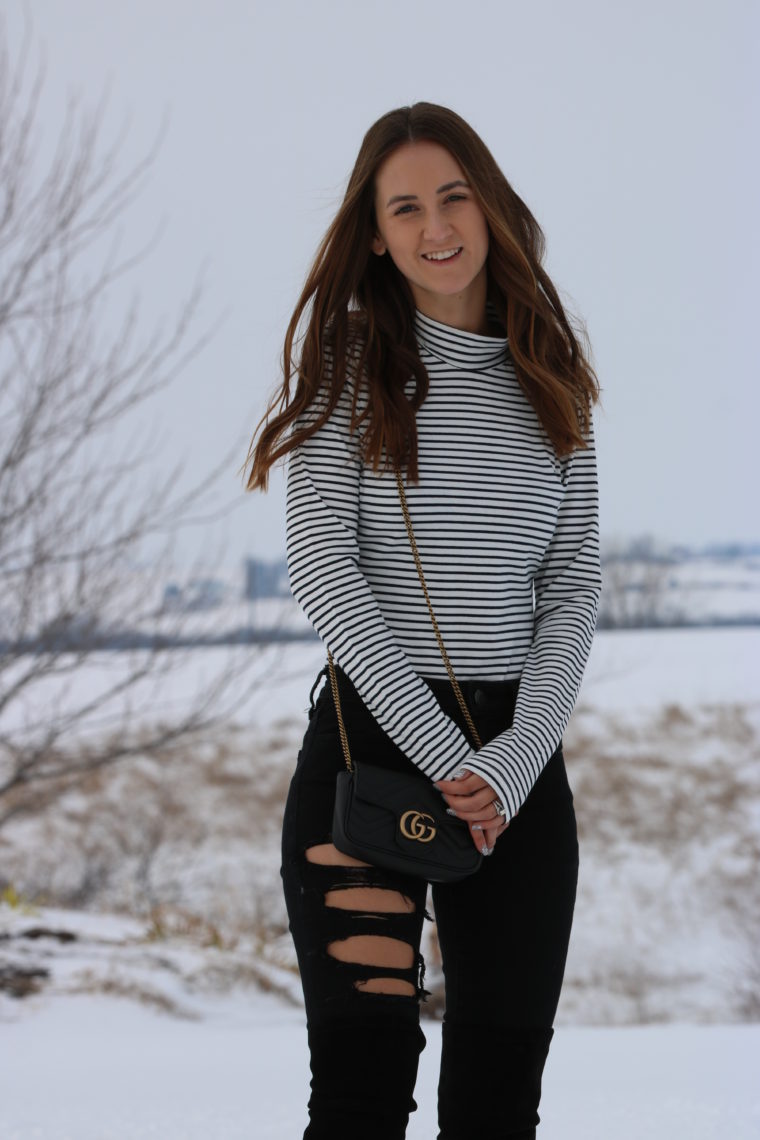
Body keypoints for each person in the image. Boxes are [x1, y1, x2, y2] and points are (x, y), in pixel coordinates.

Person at [244, 102, 601, 1140]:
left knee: (496, 1109)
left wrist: (512, 761)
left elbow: (570, 586)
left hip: (518, 776)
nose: (434, 224)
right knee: (358, 1101)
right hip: (371, 754)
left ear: (489, 205)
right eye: (404, 207)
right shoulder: (348, 373)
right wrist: (452, 757)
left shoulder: (555, 382)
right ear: (375, 233)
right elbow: (323, 567)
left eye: (453, 194)